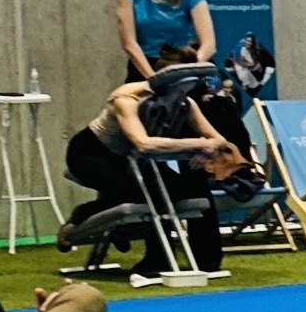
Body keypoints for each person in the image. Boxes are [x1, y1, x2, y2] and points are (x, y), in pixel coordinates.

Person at [60, 50, 244, 275]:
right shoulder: (126, 99)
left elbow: (219, 139)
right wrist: (197, 145)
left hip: (132, 161)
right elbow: (143, 144)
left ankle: (177, 260)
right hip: (91, 153)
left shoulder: (184, 103)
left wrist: (207, 150)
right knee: (131, 193)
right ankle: (75, 225)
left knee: (184, 190)